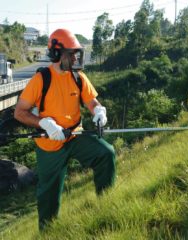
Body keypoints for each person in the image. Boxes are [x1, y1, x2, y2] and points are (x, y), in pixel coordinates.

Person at [14, 28, 116, 230]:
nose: (75, 57)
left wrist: (99, 111)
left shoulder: (78, 77)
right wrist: (45, 123)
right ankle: (47, 232)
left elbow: (92, 101)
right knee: (48, 193)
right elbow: (20, 112)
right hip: (49, 143)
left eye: (76, 53)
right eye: (71, 53)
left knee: (106, 153)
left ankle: (106, 206)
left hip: (75, 134)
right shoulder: (41, 79)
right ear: (57, 54)